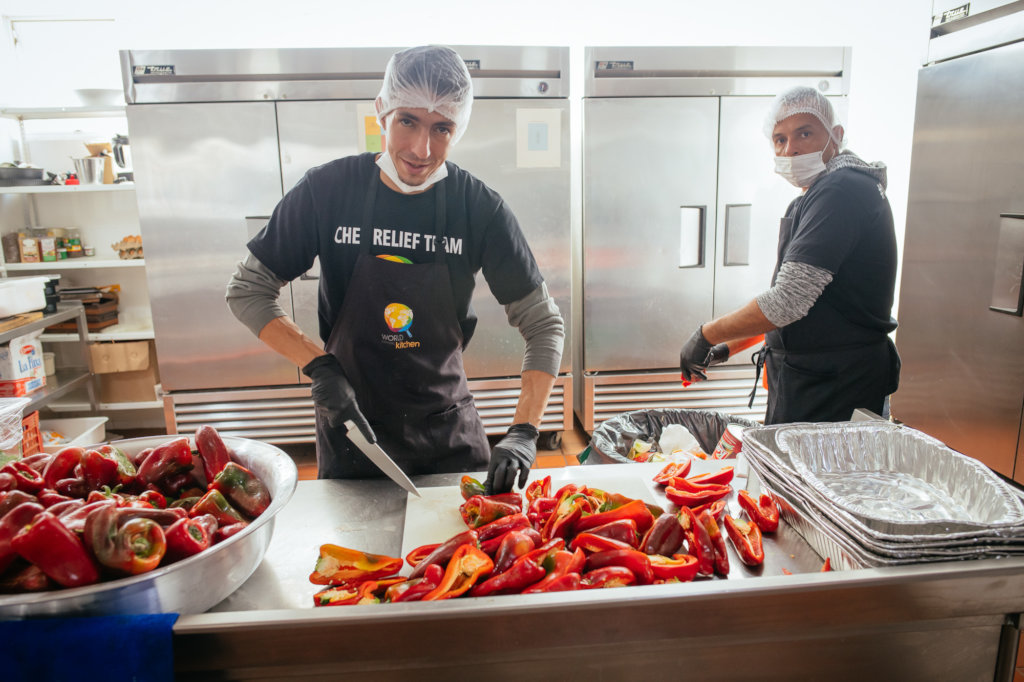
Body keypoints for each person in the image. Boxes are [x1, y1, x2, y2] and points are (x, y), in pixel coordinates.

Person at [226, 45, 564, 492]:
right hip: (352, 431)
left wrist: (523, 431)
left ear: (458, 128)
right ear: (382, 110)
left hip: (447, 432)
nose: (421, 149)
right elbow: (247, 291)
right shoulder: (327, 191)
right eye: (408, 121)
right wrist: (320, 367)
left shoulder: (478, 208)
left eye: (441, 128)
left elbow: (544, 325)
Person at [678, 85, 900, 424]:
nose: (791, 149)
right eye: (779, 140)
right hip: (814, 378)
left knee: (820, 478)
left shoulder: (842, 191)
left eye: (805, 133)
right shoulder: (817, 195)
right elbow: (797, 305)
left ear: (835, 135)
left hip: (835, 385)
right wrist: (727, 347)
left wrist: (706, 334)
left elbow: (788, 302)